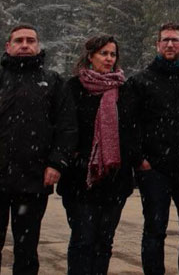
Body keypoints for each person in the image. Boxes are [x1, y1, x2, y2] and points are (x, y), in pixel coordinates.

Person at [0, 24, 76, 275]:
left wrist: (56, 163)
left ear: (38, 46)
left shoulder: (53, 83)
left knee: (27, 250)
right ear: (8, 46)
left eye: (31, 40)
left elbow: (67, 128)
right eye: (19, 40)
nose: (25, 45)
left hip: (33, 181)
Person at [126, 22, 179, 275]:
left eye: (175, 40)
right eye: (165, 40)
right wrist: (140, 159)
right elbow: (131, 125)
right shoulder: (141, 81)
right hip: (154, 169)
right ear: (157, 45)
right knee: (155, 229)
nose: (170, 44)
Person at [58, 34, 134, 275]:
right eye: (104, 53)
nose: (109, 58)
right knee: (83, 239)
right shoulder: (72, 88)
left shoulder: (124, 89)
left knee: (104, 242)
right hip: (80, 179)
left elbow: (131, 130)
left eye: (113, 54)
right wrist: (76, 159)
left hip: (114, 179)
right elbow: (64, 128)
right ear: (90, 56)